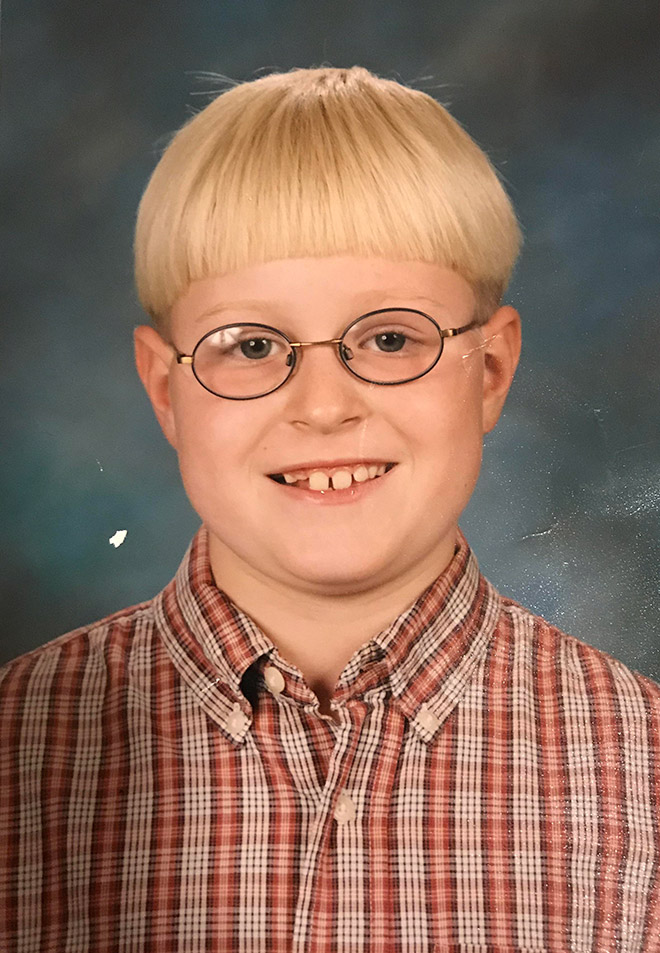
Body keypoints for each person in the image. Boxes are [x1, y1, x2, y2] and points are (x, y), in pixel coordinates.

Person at [1, 65, 658, 953]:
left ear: (493, 370)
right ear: (165, 389)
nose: (321, 406)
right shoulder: (18, 750)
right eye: (251, 345)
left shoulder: (640, 771)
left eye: (390, 338)